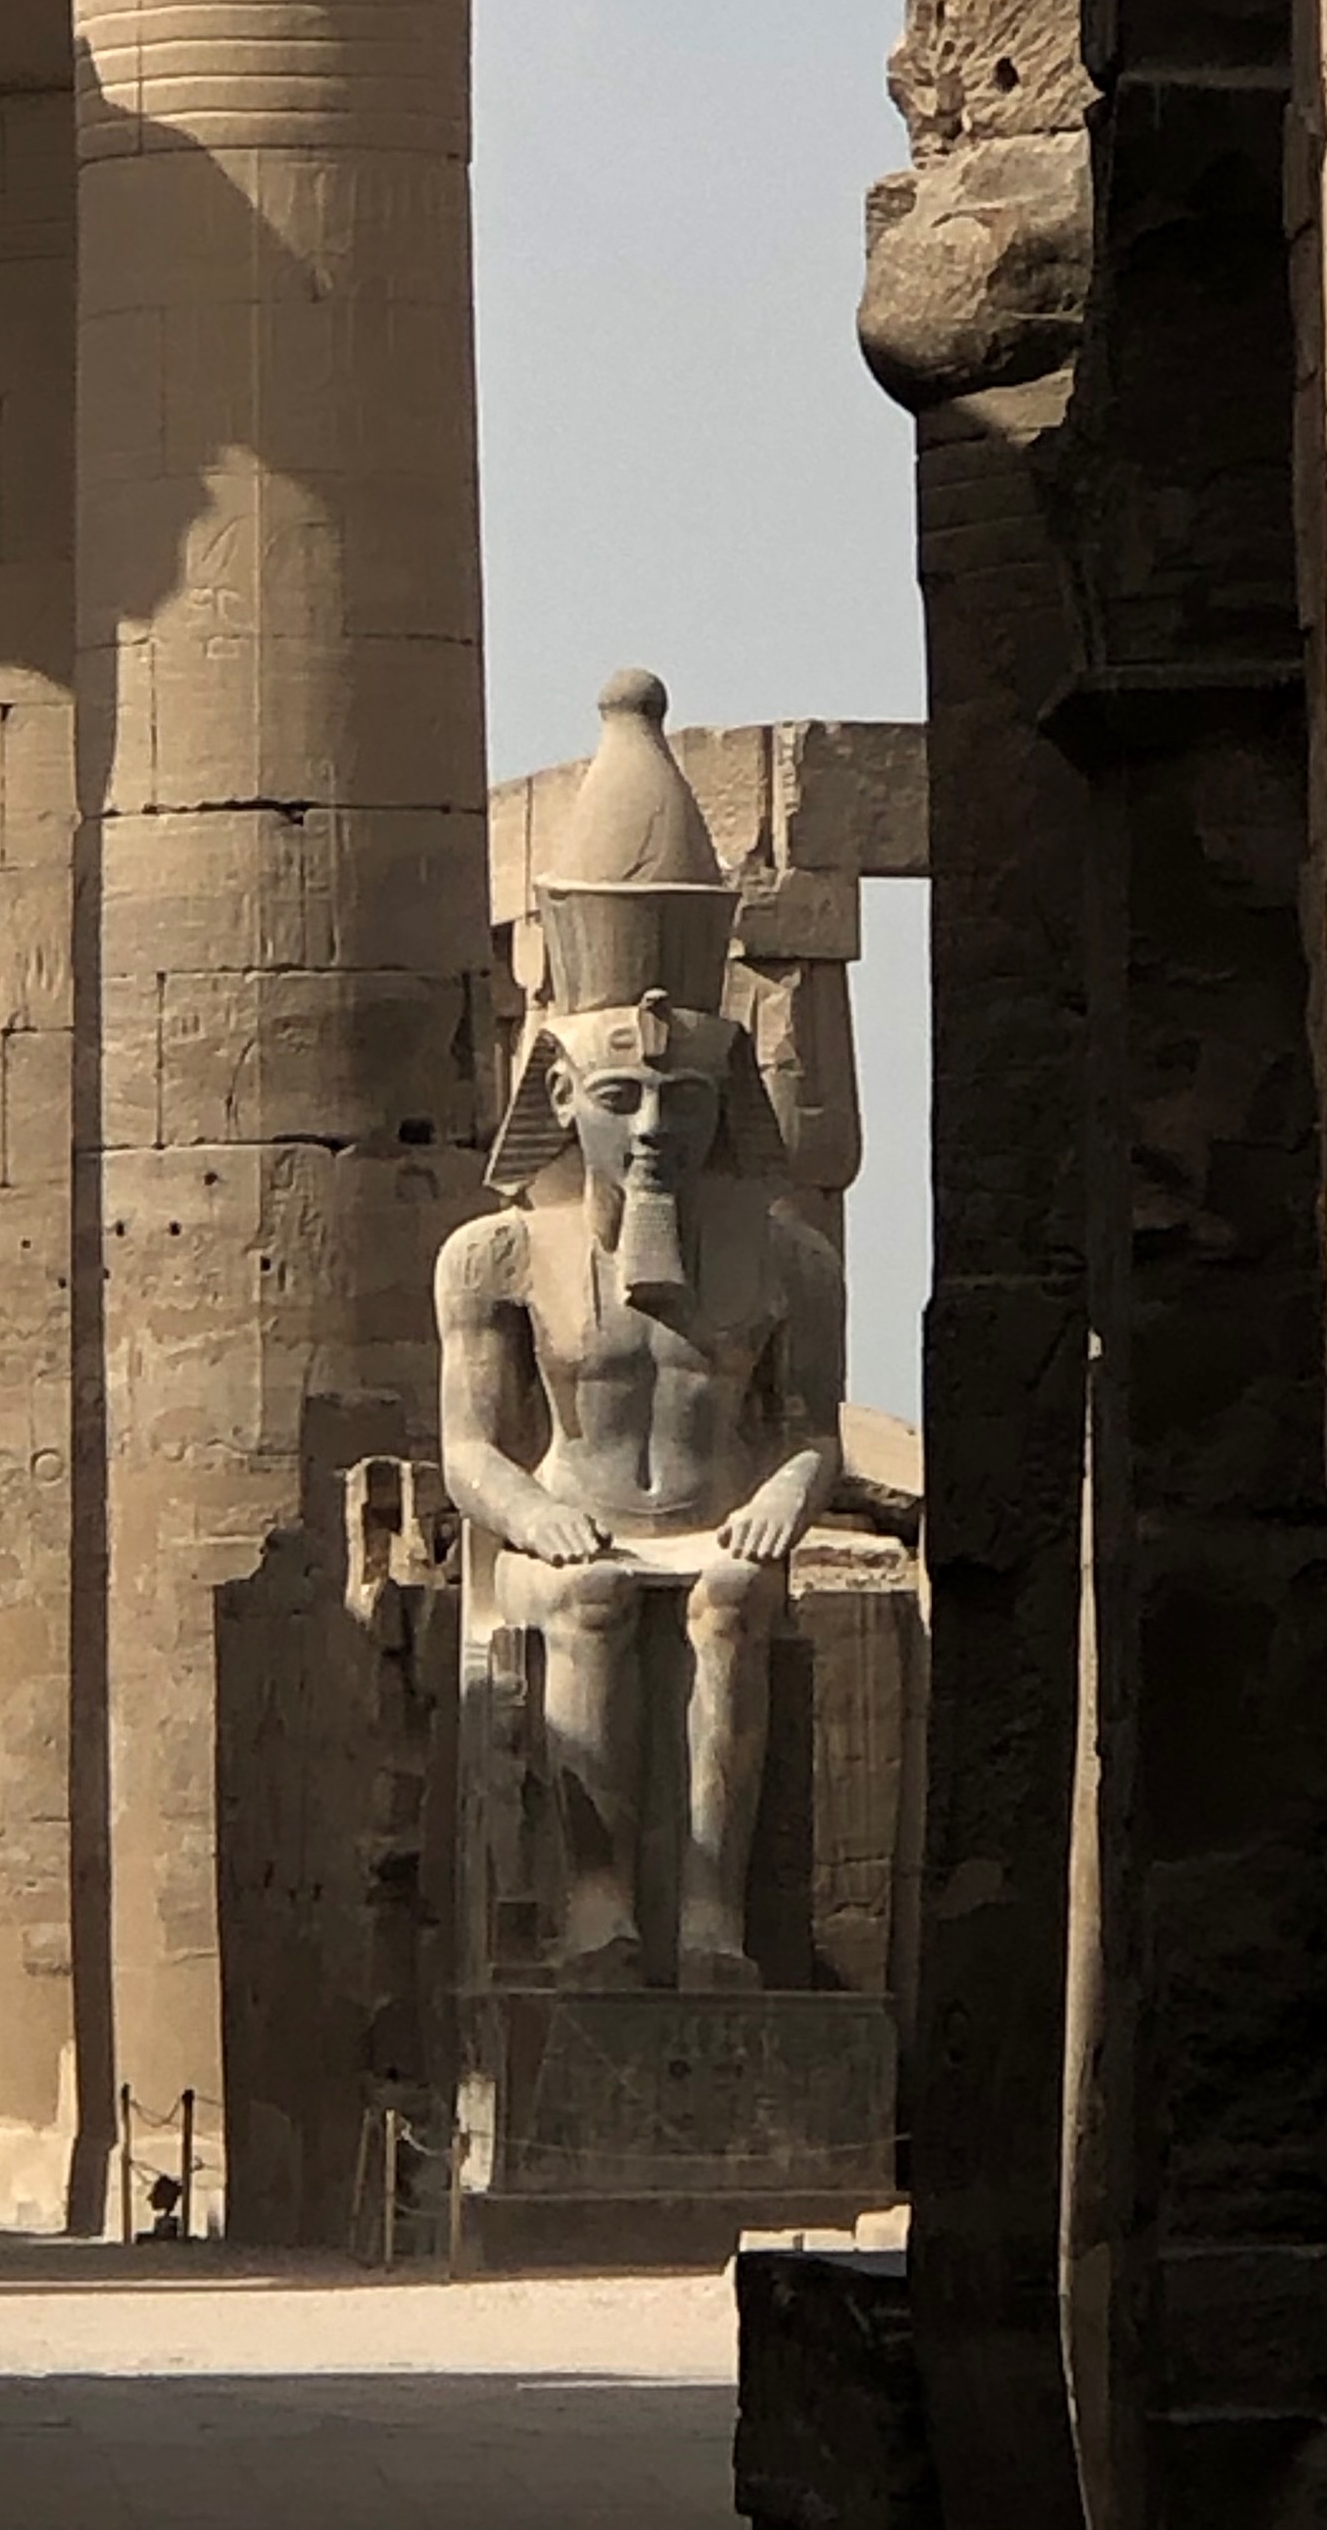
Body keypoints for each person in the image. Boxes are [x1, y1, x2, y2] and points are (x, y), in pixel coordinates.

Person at [436, 673, 843, 1988]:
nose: (658, 1125)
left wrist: (784, 1495)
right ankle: (598, 1903)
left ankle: (713, 1920)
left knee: (732, 1600)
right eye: (625, 1096)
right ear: (562, 1092)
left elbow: (811, 1432)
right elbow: (469, 1450)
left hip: (714, 1523)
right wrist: (530, 1515)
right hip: (570, 1526)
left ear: (726, 1093)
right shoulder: (500, 1252)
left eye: (683, 1096)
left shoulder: (783, 1254)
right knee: (595, 1601)